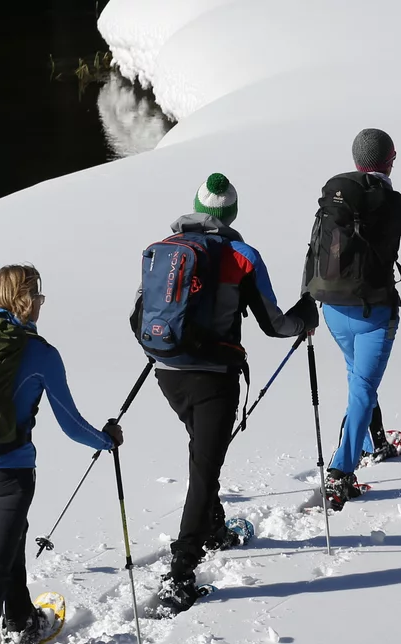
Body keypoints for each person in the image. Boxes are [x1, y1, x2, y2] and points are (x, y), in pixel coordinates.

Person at [136, 172, 318, 611]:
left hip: (166, 371)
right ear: (231, 213)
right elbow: (274, 324)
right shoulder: (242, 254)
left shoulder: (165, 248)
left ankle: (214, 527)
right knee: (204, 469)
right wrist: (305, 320)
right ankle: (180, 573)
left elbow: (139, 313)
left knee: (203, 452)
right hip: (214, 376)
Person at [0, 265, 124, 644]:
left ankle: (20, 618)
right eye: (40, 300)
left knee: (12, 535)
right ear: (28, 301)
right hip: (8, 477)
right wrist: (107, 440)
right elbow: (70, 423)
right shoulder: (40, 353)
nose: (41, 307)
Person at [305, 128, 401, 508]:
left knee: (359, 379)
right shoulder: (398, 203)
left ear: (356, 160)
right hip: (376, 313)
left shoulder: (336, 198)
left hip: (334, 309)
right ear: (391, 159)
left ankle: (377, 440)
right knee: (362, 388)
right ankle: (340, 473)